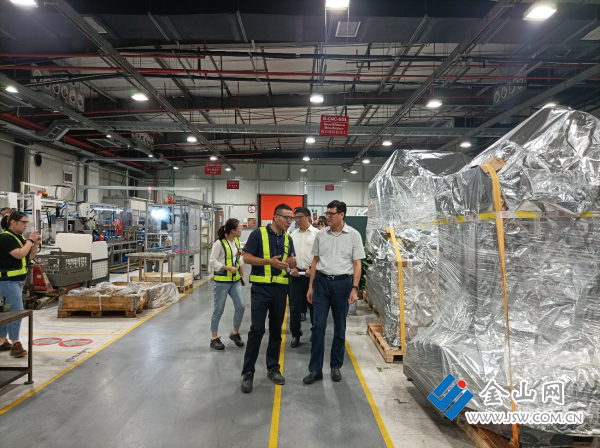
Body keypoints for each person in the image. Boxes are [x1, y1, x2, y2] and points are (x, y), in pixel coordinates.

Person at [304, 200, 365, 385]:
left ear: (341, 215)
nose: (327, 217)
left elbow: (357, 263)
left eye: (331, 214)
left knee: (340, 327)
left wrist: (354, 288)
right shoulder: (321, 234)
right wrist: (311, 286)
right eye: (327, 213)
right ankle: (315, 370)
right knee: (318, 327)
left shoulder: (354, 235)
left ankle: (336, 366)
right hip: (321, 283)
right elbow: (315, 261)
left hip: (342, 285)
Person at [240, 204, 297, 393]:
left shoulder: (288, 238)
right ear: (275, 217)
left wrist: (291, 263)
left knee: (276, 331)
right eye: (287, 217)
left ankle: (273, 368)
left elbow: (291, 261)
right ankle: (248, 372)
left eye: (291, 218)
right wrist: (268, 262)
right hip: (261, 290)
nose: (289, 221)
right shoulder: (259, 234)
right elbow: (246, 258)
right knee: (257, 329)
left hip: (280, 290)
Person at [0, 211, 41, 358]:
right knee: (17, 311)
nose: (25, 225)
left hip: (15, 281)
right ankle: (15, 343)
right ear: (12, 222)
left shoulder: (18, 237)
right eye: (23, 222)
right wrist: (29, 240)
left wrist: (35, 244)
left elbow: (28, 256)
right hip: (8, 281)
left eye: (26, 223)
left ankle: (2, 341)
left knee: (7, 311)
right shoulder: (6, 237)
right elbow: (19, 254)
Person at [209, 218, 246, 350]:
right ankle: (214, 338)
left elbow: (239, 261)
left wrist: (242, 276)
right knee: (219, 309)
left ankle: (235, 333)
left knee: (241, 307)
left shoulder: (236, 242)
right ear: (233, 231)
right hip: (222, 281)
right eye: (239, 228)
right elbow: (212, 261)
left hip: (235, 281)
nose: (241, 230)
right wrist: (227, 268)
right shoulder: (219, 243)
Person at [289, 207, 318, 348]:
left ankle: (315, 332)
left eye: (300, 217)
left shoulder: (317, 234)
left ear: (308, 217)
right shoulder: (292, 235)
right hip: (296, 276)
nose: (297, 220)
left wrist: (312, 269)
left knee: (314, 306)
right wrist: (292, 267)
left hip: (313, 276)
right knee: (294, 307)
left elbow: (321, 255)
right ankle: (296, 335)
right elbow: (288, 254)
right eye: (295, 217)